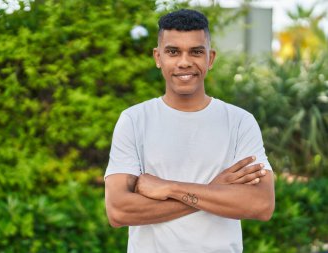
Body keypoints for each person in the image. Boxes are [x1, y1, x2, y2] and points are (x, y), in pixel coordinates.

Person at [104, 9, 275, 253]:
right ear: (157, 57)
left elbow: (261, 204)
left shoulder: (239, 122)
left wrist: (169, 188)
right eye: (173, 52)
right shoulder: (134, 120)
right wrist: (215, 192)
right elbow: (119, 210)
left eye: (196, 52)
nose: (184, 62)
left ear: (211, 58)